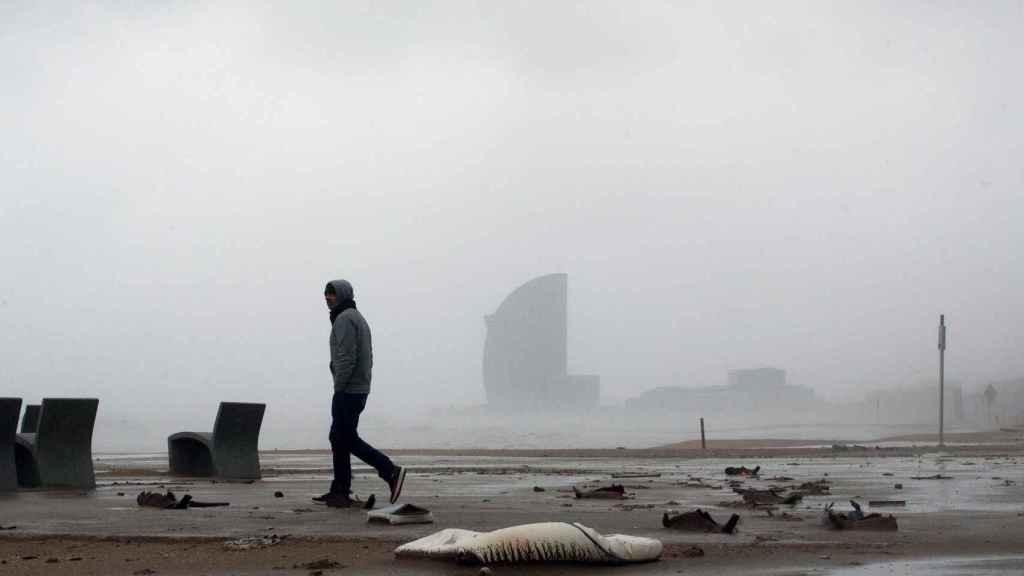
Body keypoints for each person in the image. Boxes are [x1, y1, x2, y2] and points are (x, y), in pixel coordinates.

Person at [313, 279, 406, 508]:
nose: (327, 297)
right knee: (339, 436)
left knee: (344, 437)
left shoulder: (345, 319)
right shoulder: (356, 317)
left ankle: (389, 471)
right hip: (358, 388)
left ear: (343, 295)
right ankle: (340, 490)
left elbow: (347, 357)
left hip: (349, 389)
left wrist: (339, 386)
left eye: (332, 294)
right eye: (326, 294)